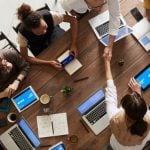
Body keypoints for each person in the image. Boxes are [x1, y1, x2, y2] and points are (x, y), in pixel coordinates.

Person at [103, 53, 150, 150]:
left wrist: (107, 62)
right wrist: (138, 94)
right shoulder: (148, 118)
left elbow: (110, 90)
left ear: (124, 109)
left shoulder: (115, 117)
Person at [17, 3, 78, 70]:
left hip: (52, 32)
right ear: (30, 30)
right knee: (46, 58)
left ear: (42, 18)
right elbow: (25, 56)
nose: (44, 32)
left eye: (45, 27)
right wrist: (48, 63)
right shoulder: (22, 34)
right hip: (36, 44)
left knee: (64, 46)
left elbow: (73, 20)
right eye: (39, 32)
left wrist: (73, 44)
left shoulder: (50, 15)